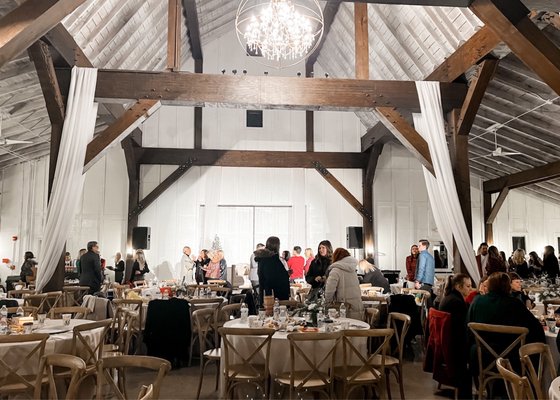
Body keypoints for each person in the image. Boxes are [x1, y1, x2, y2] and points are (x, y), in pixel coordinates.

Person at [467, 272, 544, 380]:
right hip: (511, 359)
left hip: (482, 357)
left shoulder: (477, 301)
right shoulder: (515, 304)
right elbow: (537, 329)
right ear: (508, 286)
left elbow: (468, 331)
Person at [438, 273, 472, 399]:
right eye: (468, 286)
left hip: (446, 343)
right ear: (458, 287)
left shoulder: (448, 298)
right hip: (455, 348)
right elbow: (463, 331)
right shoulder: (457, 303)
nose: (470, 289)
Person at [324, 248, 363, 319]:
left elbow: (329, 291)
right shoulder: (353, 269)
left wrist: (327, 304)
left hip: (344, 308)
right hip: (357, 305)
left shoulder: (335, 271)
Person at [255, 236, 290, 301]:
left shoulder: (264, 258)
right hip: (275, 294)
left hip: (267, 292)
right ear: (276, 246)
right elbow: (273, 276)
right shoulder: (272, 259)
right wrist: (286, 275)